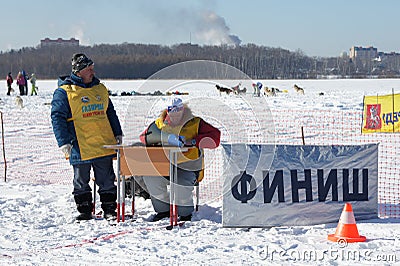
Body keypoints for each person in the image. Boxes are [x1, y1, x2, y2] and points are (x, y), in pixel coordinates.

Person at [51, 53, 123, 221]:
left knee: (106, 180)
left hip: (103, 144)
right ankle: (84, 210)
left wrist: (117, 133)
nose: (92, 71)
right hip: (79, 145)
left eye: (92, 68)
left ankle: (109, 209)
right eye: (88, 69)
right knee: (81, 181)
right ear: (78, 72)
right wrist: (63, 142)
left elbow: (110, 112)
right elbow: (57, 117)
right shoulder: (64, 92)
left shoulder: (100, 88)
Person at [139, 98, 221, 222]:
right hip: (165, 166)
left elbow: (215, 138)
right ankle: (163, 210)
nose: (175, 114)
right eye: (172, 110)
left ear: (183, 110)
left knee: (180, 183)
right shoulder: (159, 124)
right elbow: (143, 137)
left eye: (178, 110)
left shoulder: (196, 123)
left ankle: (186, 213)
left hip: (189, 167)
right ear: (167, 111)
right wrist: (163, 139)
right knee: (151, 178)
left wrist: (193, 141)